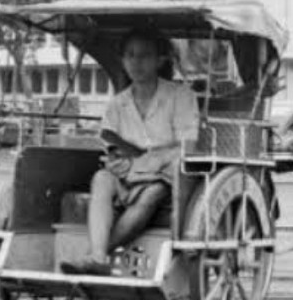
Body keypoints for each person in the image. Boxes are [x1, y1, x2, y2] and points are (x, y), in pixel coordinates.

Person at [60, 27, 199, 276]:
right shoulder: (117, 104)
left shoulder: (180, 95)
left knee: (152, 192)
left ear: (159, 60)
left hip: (168, 178)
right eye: (130, 56)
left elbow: (186, 145)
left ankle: (98, 255)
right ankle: (98, 255)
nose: (136, 62)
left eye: (145, 55)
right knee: (101, 178)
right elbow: (109, 145)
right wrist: (115, 162)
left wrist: (147, 163)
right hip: (128, 175)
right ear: (123, 60)